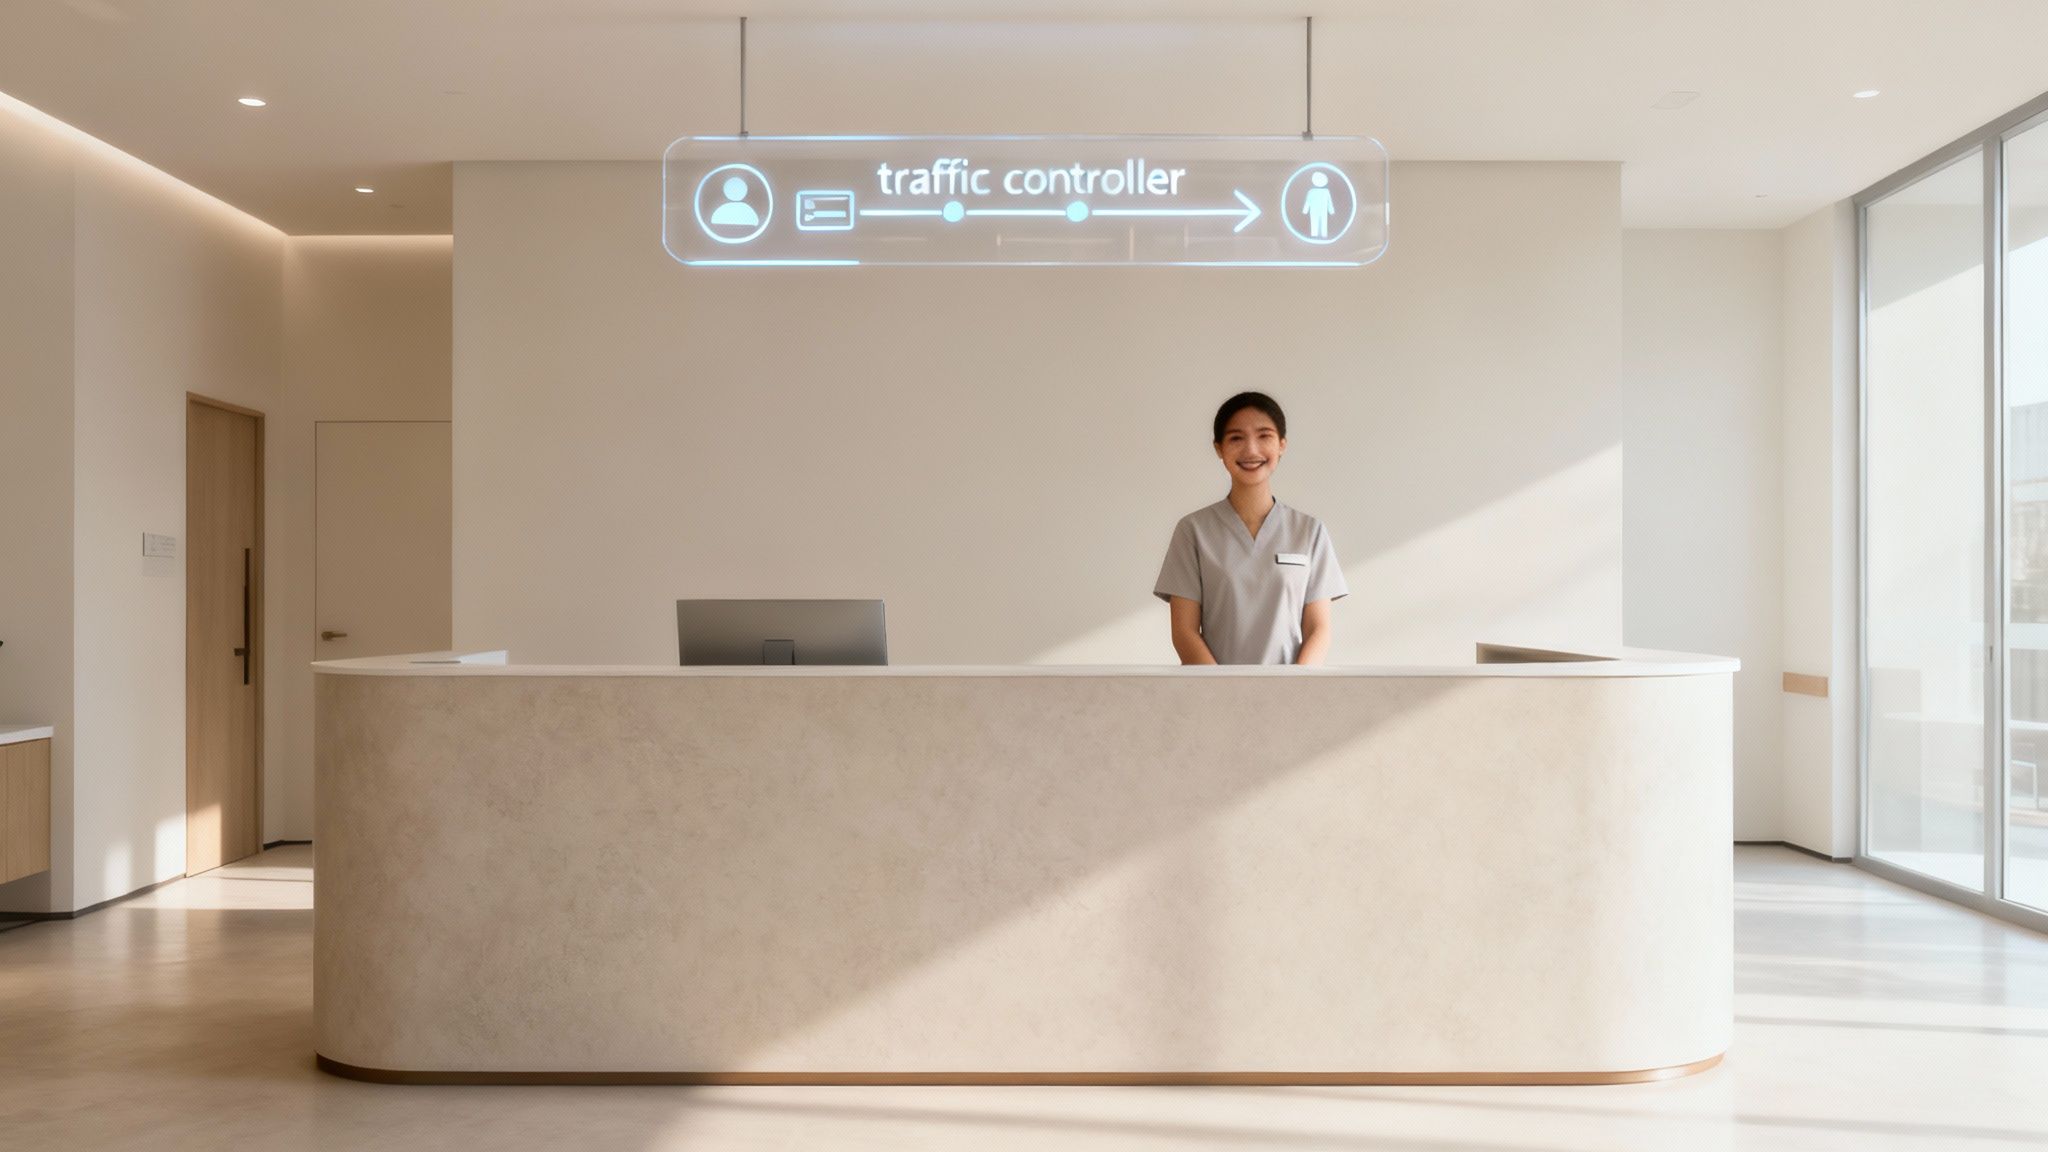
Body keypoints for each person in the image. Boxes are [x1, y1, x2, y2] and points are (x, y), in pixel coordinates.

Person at [1153, 392, 1347, 665]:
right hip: (1213, 698)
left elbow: (1318, 630)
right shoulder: (1193, 531)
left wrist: (1295, 689)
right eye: (1236, 438)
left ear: (1282, 444)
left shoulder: (1310, 532)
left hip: (1291, 696)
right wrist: (1224, 693)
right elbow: (1184, 633)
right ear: (1219, 448)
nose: (1251, 450)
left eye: (1264, 436)